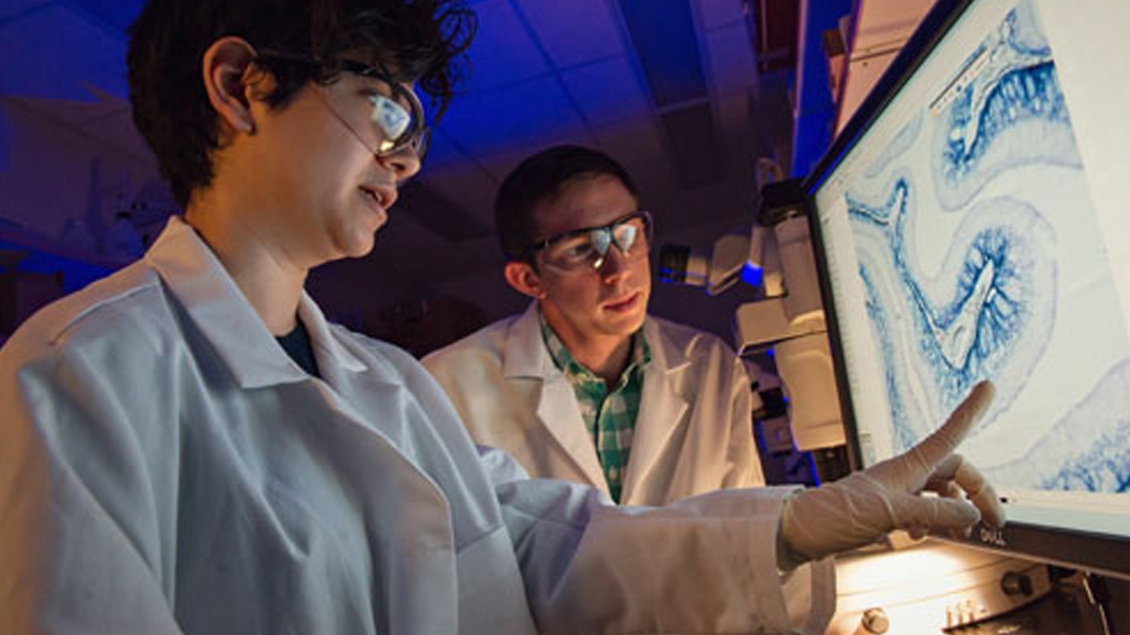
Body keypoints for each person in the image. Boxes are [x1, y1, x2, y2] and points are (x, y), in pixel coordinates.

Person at [0, 0, 1004, 632]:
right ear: (239, 88)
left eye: (414, 129)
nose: (407, 161)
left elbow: (552, 548)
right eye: (381, 105)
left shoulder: (382, 382)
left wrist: (795, 523)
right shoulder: (74, 374)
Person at [424, 145, 765, 505]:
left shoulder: (713, 366)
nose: (620, 272)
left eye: (627, 235)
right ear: (528, 280)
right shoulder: (445, 388)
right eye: (580, 250)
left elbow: (746, 531)